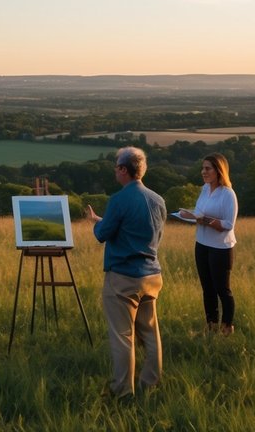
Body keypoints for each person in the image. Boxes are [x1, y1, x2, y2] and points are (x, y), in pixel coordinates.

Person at [84, 147, 166, 398]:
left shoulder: (119, 200)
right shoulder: (157, 200)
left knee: (123, 337)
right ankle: (150, 385)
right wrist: (104, 219)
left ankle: (122, 391)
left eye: (116, 166)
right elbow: (140, 232)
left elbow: (102, 235)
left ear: (123, 169)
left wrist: (96, 223)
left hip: (123, 278)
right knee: (150, 333)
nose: (115, 170)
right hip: (151, 275)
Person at [177, 154, 238, 335]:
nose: (203, 172)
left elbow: (228, 225)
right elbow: (199, 212)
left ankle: (227, 328)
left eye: (208, 168)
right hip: (202, 244)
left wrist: (201, 219)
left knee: (222, 290)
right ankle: (211, 326)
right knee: (207, 289)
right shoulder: (205, 189)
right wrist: (189, 215)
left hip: (220, 248)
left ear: (219, 171)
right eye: (203, 168)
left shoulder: (228, 194)